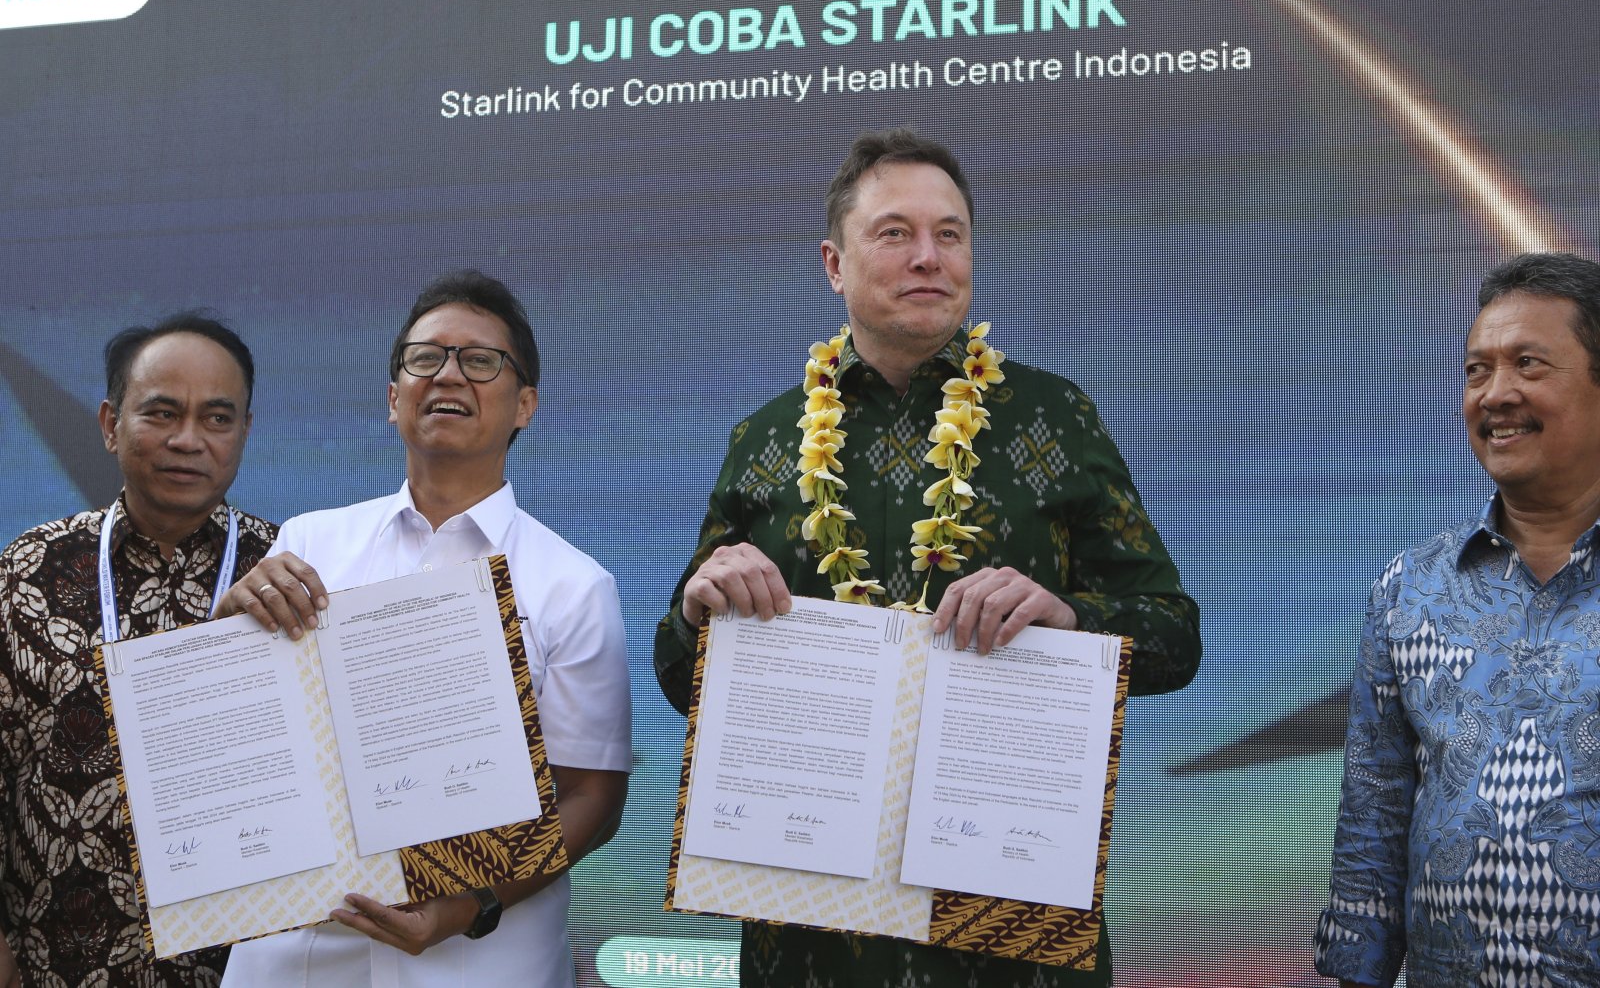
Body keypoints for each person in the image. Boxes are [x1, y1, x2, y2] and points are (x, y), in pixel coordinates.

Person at [655, 128, 1201, 988]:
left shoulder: (1053, 416)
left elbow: (1174, 639)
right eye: (895, 233)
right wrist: (696, 612)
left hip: (1006, 921)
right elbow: (681, 678)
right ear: (835, 264)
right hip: (811, 929)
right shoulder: (764, 441)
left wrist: (1070, 619)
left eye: (949, 234)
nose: (928, 257)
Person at [216, 270, 631, 988]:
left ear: (525, 404)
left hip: (485, 957)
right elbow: (243, 741)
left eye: (480, 361)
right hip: (304, 950)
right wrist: (225, 642)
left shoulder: (573, 584)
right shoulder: (310, 544)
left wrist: (470, 905)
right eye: (424, 358)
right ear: (391, 399)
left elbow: (591, 796)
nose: (448, 375)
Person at [1315, 251, 1600, 986]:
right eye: (1477, 371)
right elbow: (1372, 829)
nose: (1496, 393)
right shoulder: (1409, 590)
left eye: (1528, 364)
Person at [0, 314, 277, 987]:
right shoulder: (26, 572)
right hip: (59, 963)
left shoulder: (291, 570)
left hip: (251, 970)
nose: (188, 440)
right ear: (108, 423)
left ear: (242, 432)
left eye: (217, 418)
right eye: (161, 412)